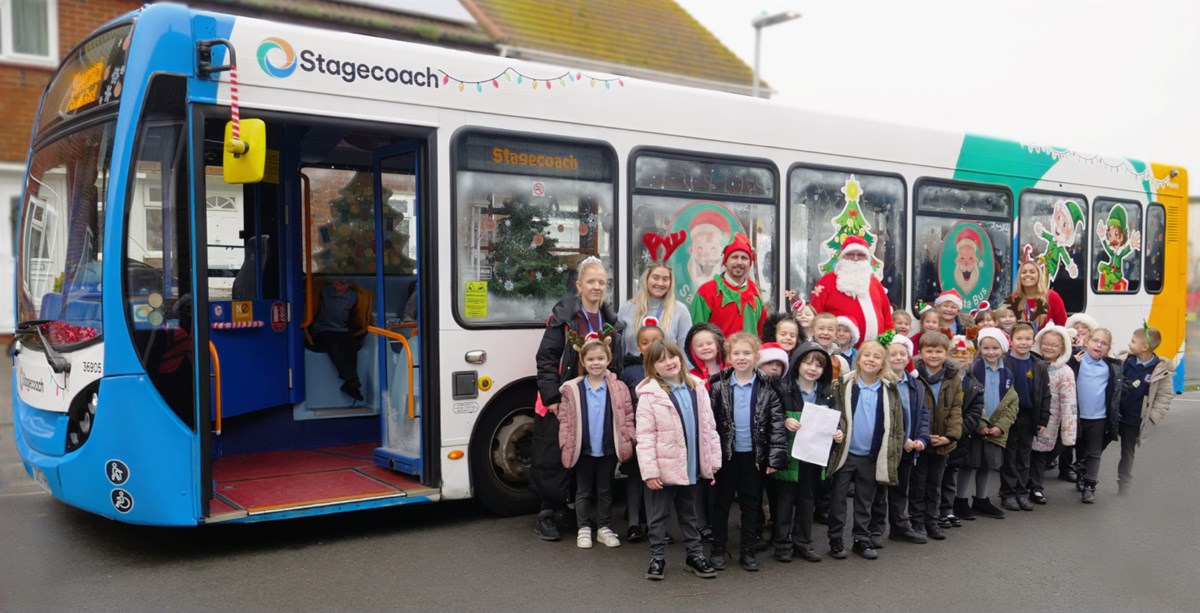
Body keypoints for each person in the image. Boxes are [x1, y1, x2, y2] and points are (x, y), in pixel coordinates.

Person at [533, 257, 625, 541]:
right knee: (553, 454)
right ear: (579, 286)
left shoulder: (611, 320)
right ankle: (547, 513)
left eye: (601, 282)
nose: (597, 287)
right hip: (564, 396)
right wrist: (551, 397)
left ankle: (571, 510)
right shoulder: (563, 318)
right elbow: (546, 359)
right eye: (591, 282)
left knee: (583, 454)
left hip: (596, 400)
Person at [636, 339, 722, 580]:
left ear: (680, 358)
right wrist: (650, 472)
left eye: (672, 356)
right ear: (653, 368)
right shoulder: (650, 396)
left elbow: (709, 427)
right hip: (664, 470)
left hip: (691, 466)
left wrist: (713, 460)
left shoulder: (697, 387)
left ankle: (694, 556)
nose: (668, 362)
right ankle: (657, 558)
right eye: (660, 360)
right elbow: (644, 436)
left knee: (689, 514)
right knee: (658, 516)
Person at [707, 333, 787, 571]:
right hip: (726, 456)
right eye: (736, 353)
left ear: (756, 356)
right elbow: (709, 424)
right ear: (728, 357)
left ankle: (748, 551)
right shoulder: (718, 386)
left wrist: (774, 458)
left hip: (754, 457)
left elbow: (776, 425)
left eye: (746, 353)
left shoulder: (767, 387)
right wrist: (710, 457)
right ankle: (719, 549)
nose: (741, 358)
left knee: (751, 504)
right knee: (721, 504)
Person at [826, 340, 904, 560]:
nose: (871, 360)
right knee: (838, 499)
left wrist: (892, 452)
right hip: (846, 453)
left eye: (876, 357)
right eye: (866, 355)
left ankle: (861, 538)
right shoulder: (844, 384)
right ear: (858, 359)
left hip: (871, 455)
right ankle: (835, 539)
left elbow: (896, 423)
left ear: (883, 363)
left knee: (865, 500)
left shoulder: (889, 389)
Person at [557, 339, 636, 549]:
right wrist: (565, 442)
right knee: (583, 490)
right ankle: (583, 528)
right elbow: (565, 420)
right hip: (583, 448)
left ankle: (604, 528)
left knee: (605, 489)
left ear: (608, 359)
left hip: (608, 447)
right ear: (583, 361)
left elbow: (627, 416)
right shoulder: (572, 389)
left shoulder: (619, 388)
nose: (596, 363)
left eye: (601, 358)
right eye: (590, 359)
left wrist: (628, 437)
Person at [770, 341, 837, 563]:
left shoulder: (827, 393)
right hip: (788, 455)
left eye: (818, 365)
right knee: (785, 500)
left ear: (824, 369)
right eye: (807, 362)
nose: (812, 368)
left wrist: (838, 434)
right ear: (797, 363)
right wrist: (784, 420)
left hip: (812, 456)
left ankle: (803, 542)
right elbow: (770, 415)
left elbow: (835, 422)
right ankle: (782, 544)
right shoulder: (782, 388)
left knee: (807, 499)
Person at [868, 332, 931, 546]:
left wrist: (921, 438)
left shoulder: (915, 385)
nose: (897, 358)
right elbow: (883, 416)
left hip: (908, 448)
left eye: (902, 354)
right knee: (880, 489)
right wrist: (902, 438)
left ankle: (900, 526)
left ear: (908, 357)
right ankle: (875, 530)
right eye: (892, 354)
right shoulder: (880, 383)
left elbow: (923, 414)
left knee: (901, 488)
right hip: (886, 446)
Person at [952, 329, 1019, 520]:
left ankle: (981, 499)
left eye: (995, 348)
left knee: (986, 464)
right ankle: (960, 500)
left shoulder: (1007, 373)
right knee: (969, 464)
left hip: (995, 427)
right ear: (980, 349)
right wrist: (979, 423)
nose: (991, 352)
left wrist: (1001, 426)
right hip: (976, 425)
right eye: (986, 348)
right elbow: (971, 401)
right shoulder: (974, 370)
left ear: (1003, 349)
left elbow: (1012, 401)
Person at [909, 331, 964, 541]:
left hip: (942, 441)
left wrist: (949, 436)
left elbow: (957, 409)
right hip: (920, 441)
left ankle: (932, 520)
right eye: (929, 351)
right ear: (920, 353)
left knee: (935, 484)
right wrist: (921, 436)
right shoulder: (915, 376)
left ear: (946, 353)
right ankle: (917, 520)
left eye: (939, 351)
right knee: (918, 484)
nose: (934, 355)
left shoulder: (953, 377)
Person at [996, 323, 1050, 512]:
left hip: (1029, 416)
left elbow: (1045, 394)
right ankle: (1008, 493)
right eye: (1019, 338)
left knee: (1024, 457)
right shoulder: (1003, 362)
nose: (1023, 342)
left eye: (1028, 339)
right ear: (1011, 341)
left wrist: (1043, 419)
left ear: (1033, 341)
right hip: (1009, 417)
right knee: (1009, 456)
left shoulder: (1039, 365)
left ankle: (1021, 492)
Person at [1115, 324, 1174, 494]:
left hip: (1134, 420)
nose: (1129, 344)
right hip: (1116, 416)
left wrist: (1152, 417)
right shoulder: (1125, 361)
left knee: (1127, 453)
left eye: (1133, 341)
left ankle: (1124, 484)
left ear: (1145, 347)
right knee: (1096, 447)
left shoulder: (1160, 369)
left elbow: (1164, 397)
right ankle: (1086, 476)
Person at [620, 325, 665, 542]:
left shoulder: (667, 368)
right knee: (635, 478)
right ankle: (633, 524)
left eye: (656, 340)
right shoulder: (630, 372)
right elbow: (623, 405)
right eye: (645, 342)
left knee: (654, 478)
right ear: (639, 346)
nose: (650, 346)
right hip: (637, 434)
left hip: (661, 435)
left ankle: (654, 525)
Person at [1067, 328, 1123, 503]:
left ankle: (1090, 485)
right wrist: (1072, 362)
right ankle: (1081, 475)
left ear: (1108, 348)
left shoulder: (1110, 367)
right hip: (1076, 416)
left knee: (1094, 452)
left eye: (1104, 343)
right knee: (1080, 449)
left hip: (1099, 417)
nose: (1099, 345)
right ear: (1087, 341)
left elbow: (1117, 390)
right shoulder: (1077, 361)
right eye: (1095, 341)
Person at [810, 235, 894, 345]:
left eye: (860, 255)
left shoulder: (874, 283)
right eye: (850, 254)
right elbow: (815, 315)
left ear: (866, 258)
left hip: (875, 353)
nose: (855, 258)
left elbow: (887, 317)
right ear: (842, 257)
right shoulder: (827, 282)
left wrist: (890, 342)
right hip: (838, 352)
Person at [1029, 325, 1077, 504]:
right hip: (1032, 417)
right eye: (1046, 344)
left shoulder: (1065, 372)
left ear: (1063, 349)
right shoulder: (1032, 364)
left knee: (1043, 455)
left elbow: (1069, 401)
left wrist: (1069, 430)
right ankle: (1030, 485)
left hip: (1053, 422)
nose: (1049, 348)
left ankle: (1036, 487)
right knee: (1029, 454)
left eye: (1054, 345)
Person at [941, 336, 984, 527]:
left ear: (972, 357)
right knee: (932, 477)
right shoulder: (942, 378)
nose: (960, 357)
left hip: (958, 438)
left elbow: (975, 412)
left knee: (950, 475)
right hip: (938, 436)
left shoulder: (974, 385)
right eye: (954, 353)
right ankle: (929, 511)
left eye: (965, 353)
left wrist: (956, 432)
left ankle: (946, 509)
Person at [689, 233, 767, 338]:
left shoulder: (756, 293)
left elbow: (763, 334)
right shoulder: (706, 292)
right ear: (726, 261)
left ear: (750, 263)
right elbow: (696, 336)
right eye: (734, 257)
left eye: (744, 258)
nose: (739, 262)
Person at [309, 279, 371, 401]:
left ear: (349, 284)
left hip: (341, 329)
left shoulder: (353, 296)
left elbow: (357, 315)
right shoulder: (324, 290)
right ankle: (352, 381)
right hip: (322, 328)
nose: (338, 284)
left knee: (352, 346)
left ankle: (350, 382)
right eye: (336, 281)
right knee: (334, 345)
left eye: (342, 282)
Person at [619, 262, 692, 356]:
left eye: (665, 279)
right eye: (655, 278)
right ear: (646, 279)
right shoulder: (627, 308)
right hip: (634, 368)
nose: (660, 283)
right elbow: (620, 347)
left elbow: (686, 350)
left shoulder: (680, 310)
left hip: (666, 369)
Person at [1005, 260, 1066, 331]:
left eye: (1032, 272)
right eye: (1024, 272)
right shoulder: (1013, 298)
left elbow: (1063, 326)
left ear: (1039, 276)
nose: (1027, 274)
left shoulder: (1052, 296)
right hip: (1023, 341)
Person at [685, 322, 727, 391]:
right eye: (700, 345)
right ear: (693, 351)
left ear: (718, 347)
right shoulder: (691, 377)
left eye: (709, 343)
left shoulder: (731, 370)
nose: (705, 347)